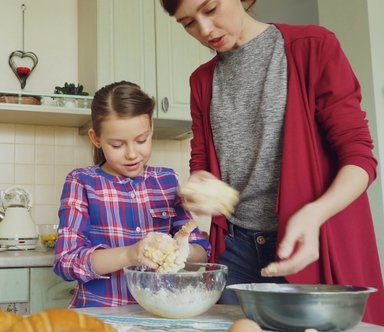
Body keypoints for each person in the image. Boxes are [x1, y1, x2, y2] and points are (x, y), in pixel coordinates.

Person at [158, 0, 384, 325]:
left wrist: (314, 214)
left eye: (210, 9)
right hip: (238, 250)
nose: (205, 30)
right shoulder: (201, 82)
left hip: (307, 243)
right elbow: (202, 161)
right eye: (188, 23)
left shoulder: (313, 47)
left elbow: (359, 157)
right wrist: (199, 185)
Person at [53, 81, 211, 308]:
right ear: (96, 138)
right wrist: (131, 254)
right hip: (99, 314)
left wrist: (178, 249)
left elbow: (201, 253)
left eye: (141, 140)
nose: (132, 154)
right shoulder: (82, 181)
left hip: (158, 313)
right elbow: (66, 261)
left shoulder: (166, 181)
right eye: (117, 145)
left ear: (151, 129)